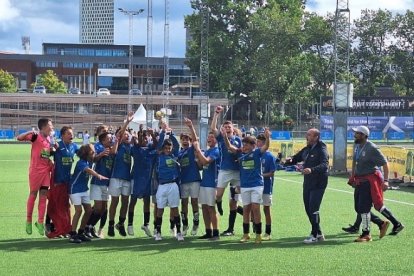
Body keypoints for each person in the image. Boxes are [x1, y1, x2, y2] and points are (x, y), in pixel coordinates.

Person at [348, 126, 404, 242]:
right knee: (359, 208)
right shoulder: (357, 146)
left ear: (364, 135)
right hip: (360, 180)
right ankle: (385, 223)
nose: (355, 135)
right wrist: (353, 176)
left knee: (365, 208)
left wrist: (386, 181)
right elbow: (355, 162)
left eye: (357, 133)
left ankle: (366, 233)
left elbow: (385, 164)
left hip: (368, 182)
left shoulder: (372, 148)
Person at [222, 128, 271, 243]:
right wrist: (225, 137)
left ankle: (258, 234)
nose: (244, 146)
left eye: (247, 145)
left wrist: (267, 137)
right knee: (246, 209)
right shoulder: (240, 153)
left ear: (253, 146)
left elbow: (266, 147)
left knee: (255, 208)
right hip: (244, 186)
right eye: (243, 144)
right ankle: (246, 234)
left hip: (256, 185)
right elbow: (229, 147)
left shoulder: (257, 152)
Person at [285, 128, 329, 244]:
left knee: (314, 208)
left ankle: (314, 235)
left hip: (319, 182)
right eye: (307, 135)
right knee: (308, 208)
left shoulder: (322, 149)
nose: (306, 137)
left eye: (309, 135)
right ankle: (319, 233)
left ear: (316, 137)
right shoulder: (307, 149)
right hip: (308, 182)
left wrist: (312, 170)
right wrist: (288, 160)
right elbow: (296, 158)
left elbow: (325, 165)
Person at [17, 118, 54, 236]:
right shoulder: (35, 137)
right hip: (35, 171)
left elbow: (45, 154)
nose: (52, 127)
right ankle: (28, 220)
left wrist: (50, 161)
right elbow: (19, 138)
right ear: (43, 127)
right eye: (50, 125)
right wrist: (29, 132)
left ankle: (40, 222)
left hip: (46, 172)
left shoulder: (49, 139)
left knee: (43, 196)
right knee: (33, 194)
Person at [211, 105, 242, 236]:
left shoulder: (239, 140)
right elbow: (213, 128)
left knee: (233, 202)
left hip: (236, 172)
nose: (228, 128)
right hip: (224, 170)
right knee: (218, 195)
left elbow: (238, 152)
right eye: (225, 127)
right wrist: (216, 114)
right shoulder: (221, 139)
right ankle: (219, 205)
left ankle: (230, 229)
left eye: (229, 127)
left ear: (233, 130)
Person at [68, 144, 108, 243]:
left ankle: (81, 232)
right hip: (75, 189)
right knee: (78, 211)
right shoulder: (81, 163)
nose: (94, 152)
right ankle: (73, 234)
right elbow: (88, 170)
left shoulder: (89, 161)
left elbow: (95, 159)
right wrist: (98, 175)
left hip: (84, 189)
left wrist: (102, 154)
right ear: (87, 153)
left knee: (89, 211)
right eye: (92, 151)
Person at [46, 126, 79, 238]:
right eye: (69, 133)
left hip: (68, 181)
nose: (71, 135)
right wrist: (51, 149)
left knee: (65, 205)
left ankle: (62, 228)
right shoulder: (58, 145)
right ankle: (57, 227)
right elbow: (45, 155)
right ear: (63, 135)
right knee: (57, 205)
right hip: (57, 180)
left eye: (72, 133)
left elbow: (84, 154)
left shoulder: (74, 146)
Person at [153, 125, 184, 241]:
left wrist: (170, 133)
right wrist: (162, 132)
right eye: (165, 148)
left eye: (169, 148)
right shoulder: (159, 156)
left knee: (175, 209)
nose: (167, 149)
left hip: (173, 185)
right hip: (162, 186)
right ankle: (158, 232)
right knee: (160, 210)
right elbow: (159, 143)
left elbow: (176, 145)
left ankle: (179, 232)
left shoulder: (174, 155)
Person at [107, 113, 134, 237]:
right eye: (125, 133)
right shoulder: (117, 144)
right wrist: (127, 123)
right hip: (116, 177)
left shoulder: (129, 147)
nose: (127, 135)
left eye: (128, 133)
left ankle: (121, 223)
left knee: (125, 202)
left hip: (126, 178)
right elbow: (119, 136)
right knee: (114, 202)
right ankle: (111, 224)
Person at [128, 127, 158, 237]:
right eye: (142, 138)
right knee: (133, 201)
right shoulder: (136, 149)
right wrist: (138, 134)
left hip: (147, 181)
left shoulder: (151, 150)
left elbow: (156, 144)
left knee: (146, 201)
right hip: (135, 179)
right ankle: (130, 224)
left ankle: (146, 224)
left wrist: (153, 135)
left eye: (146, 138)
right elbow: (135, 142)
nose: (144, 140)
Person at [178, 118, 202, 236]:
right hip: (183, 181)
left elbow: (196, 139)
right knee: (184, 203)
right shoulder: (179, 153)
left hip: (194, 180)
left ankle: (196, 223)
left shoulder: (192, 149)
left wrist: (191, 126)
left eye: (187, 139)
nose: (185, 141)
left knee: (194, 202)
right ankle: (185, 224)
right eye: (183, 139)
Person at [256, 133, 276, 240]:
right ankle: (256, 229)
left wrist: (260, 175)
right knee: (255, 208)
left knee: (266, 209)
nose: (257, 143)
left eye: (258, 141)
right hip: (256, 186)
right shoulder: (256, 154)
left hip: (266, 186)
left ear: (264, 143)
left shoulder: (270, 156)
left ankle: (268, 232)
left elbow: (272, 173)